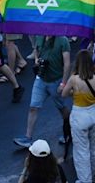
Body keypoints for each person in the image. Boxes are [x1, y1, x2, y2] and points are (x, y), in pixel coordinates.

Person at [13, 35, 71, 149]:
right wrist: (37, 60)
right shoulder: (40, 38)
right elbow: (36, 51)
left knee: (62, 107)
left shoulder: (63, 40)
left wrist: (63, 83)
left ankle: (69, 130)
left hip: (56, 80)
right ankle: (28, 137)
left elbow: (67, 64)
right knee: (33, 106)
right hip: (41, 78)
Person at [62, 49, 95, 183]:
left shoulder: (74, 79)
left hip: (79, 116)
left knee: (81, 151)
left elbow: (64, 94)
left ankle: (85, 180)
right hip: (94, 113)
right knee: (93, 148)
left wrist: (74, 92)